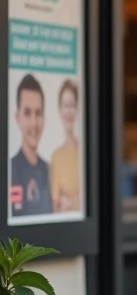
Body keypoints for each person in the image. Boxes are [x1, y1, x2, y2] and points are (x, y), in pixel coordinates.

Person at [10, 73, 51, 217]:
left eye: (38, 113)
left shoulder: (50, 171)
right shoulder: (10, 170)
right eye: (27, 113)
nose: (34, 123)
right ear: (17, 117)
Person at [50, 79, 81, 213]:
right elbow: (57, 205)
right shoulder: (56, 157)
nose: (68, 111)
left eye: (72, 105)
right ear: (60, 110)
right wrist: (78, 200)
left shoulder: (84, 152)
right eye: (65, 105)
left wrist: (73, 201)